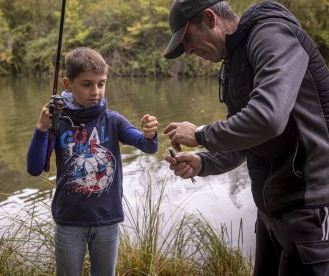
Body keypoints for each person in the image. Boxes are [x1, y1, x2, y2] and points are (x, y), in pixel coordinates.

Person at [162, 0, 329, 275]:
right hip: (271, 208)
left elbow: (267, 119)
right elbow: (244, 139)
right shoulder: (233, 61)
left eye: (188, 39)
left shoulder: (272, 34)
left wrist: (201, 134)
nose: (188, 51)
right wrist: (202, 163)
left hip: (310, 208)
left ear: (209, 17)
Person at [26, 47, 159, 276]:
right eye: (86, 84)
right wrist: (41, 129)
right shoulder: (59, 121)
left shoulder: (113, 120)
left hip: (107, 220)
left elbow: (148, 147)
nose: (96, 91)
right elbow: (34, 168)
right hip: (69, 221)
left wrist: (150, 134)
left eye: (101, 83)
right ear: (68, 85)